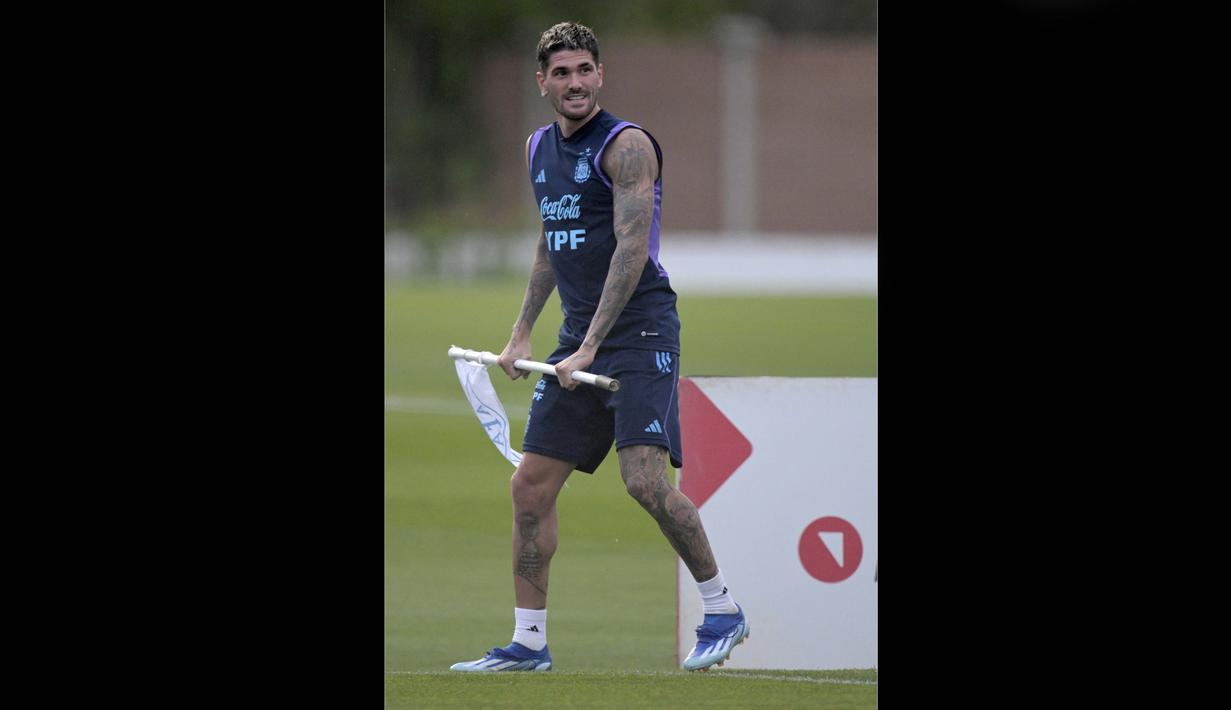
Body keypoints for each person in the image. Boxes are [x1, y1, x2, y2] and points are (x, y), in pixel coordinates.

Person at [450, 21, 748, 673]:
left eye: (584, 69)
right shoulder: (537, 148)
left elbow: (631, 249)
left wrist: (589, 345)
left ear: (600, 74)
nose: (574, 82)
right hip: (576, 341)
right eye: (561, 73)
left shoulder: (627, 146)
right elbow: (552, 238)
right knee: (529, 488)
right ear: (543, 83)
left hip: (639, 333)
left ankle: (721, 607)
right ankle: (528, 644)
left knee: (643, 480)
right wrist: (522, 329)